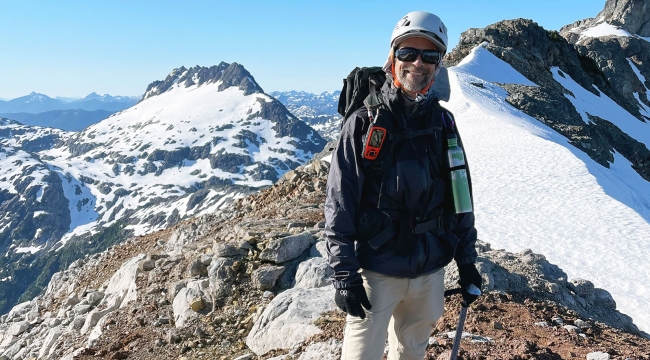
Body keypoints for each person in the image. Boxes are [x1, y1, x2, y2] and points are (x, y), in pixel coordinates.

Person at [324, 11, 482, 360]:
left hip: (429, 273)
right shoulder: (364, 122)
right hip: (377, 271)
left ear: (439, 64)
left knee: (412, 353)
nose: (418, 63)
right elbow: (340, 202)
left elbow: (460, 194)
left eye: (429, 56)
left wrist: (467, 261)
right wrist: (345, 275)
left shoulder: (443, 122)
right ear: (392, 56)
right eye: (408, 53)